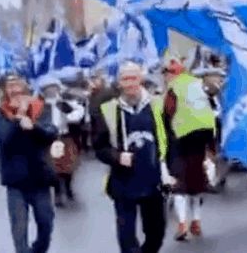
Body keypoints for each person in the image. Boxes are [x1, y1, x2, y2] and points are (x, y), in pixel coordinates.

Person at [92, 61, 172, 253]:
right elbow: (99, 147)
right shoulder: (109, 110)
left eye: (133, 78)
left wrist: (173, 170)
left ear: (141, 79)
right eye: (125, 79)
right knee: (127, 238)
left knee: (156, 234)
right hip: (123, 182)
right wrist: (117, 157)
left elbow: (171, 138)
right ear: (119, 83)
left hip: (153, 181)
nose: (129, 84)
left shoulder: (158, 105)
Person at [0, 75, 58, 253]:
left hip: (40, 177)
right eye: (10, 86)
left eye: (17, 85)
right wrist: (18, 118)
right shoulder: (0, 112)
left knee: (46, 223)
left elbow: (51, 132)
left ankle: (37, 250)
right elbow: (4, 139)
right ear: (5, 91)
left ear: (25, 87)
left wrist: (34, 127)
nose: (15, 90)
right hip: (15, 180)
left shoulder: (40, 107)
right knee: (19, 229)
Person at [163, 56, 215, 241]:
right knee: (196, 181)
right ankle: (197, 221)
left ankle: (183, 223)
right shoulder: (196, 83)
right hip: (203, 135)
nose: (165, 78)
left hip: (182, 137)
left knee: (180, 184)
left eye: (166, 74)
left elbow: (167, 114)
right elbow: (211, 107)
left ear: (172, 75)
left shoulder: (174, 88)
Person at [38, 76, 85, 207]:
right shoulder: (41, 105)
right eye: (48, 88)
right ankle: (58, 192)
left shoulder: (65, 103)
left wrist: (67, 112)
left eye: (54, 87)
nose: (52, 90)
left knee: (68, 166)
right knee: (55, 168)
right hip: (50, 138)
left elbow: (77, 115)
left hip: (65, 137)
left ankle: (68, 188)